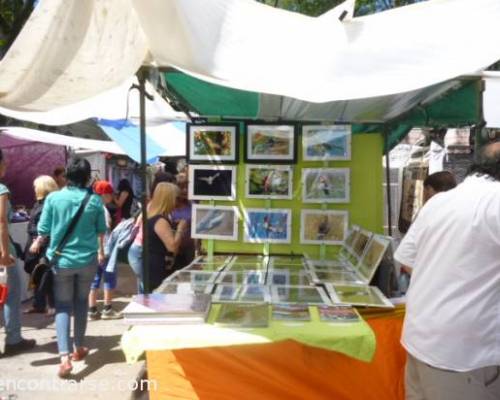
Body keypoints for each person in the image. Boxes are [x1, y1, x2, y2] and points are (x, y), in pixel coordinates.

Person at [394, 141, 500, 400]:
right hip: (464, 355)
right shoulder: (495, 202)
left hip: (422, 338)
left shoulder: (440, 201)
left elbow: (408, 260)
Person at [34, 158, 106, 378]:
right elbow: (101, 230)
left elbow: (43, 228)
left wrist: (38, 242)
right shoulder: (94, 200)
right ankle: (79, 348)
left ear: (66, 176)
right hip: (87, 261)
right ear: (87, 178)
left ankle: (64, 357)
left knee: (63, 306)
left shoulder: (54, 198)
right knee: (81, 302)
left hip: (61, 261)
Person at [0, 149, 36, 357]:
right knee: (12, 295)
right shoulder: (1, 189)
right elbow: (2, 222)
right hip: (4, 253)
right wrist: (4, 253)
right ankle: (13, 339)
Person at [24, 175, 59, 315]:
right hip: (35, 242)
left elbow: (49, 226)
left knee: (46, 274)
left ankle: (51, 305)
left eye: (35, 186)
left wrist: (39, 240)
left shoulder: (49, 204)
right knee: (38, 274)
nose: (34, 188)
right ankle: (39, 304)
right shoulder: (39, 203)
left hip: (44, 243)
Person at [88, 181, 122, 320]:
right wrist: (101, 251)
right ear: (104, 194)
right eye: (110, 194)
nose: (112, 197)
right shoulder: (102, 209)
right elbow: (100, 233)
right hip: (103, 248)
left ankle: (92, 309)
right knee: (109, 277)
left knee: (94, 279)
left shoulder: (89, 206)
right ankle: (107, 309)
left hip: (91, 249)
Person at [146, 182, 187, 291]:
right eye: (177, 198)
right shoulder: (160, 220)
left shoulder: (155, 217)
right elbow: (172, 247)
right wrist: (180, 228)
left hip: (153, 266)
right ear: (169, 199)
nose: (178, 202)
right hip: (157, 267)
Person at [172, 172, 196, 270]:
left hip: (190, 248)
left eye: (187, 187)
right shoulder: (170, 205)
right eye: (181, 187)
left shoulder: (193, 204)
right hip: (174, 249)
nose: (185, 190)